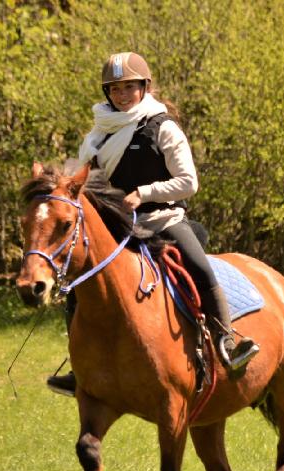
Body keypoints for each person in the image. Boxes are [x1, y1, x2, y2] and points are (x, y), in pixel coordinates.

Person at [47, 52, 259, 397]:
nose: (122, 94)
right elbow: (80, 182)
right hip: (116, 229)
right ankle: (80, 366)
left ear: (144, 87)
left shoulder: (163, 128)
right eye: (115, 89)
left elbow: (188, 182)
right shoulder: (97, 136)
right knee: (79, 281)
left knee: (200, 268)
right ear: (107, 93)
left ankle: (228, 342)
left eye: (129, 87)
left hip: (162, 219)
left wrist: (144, 194)